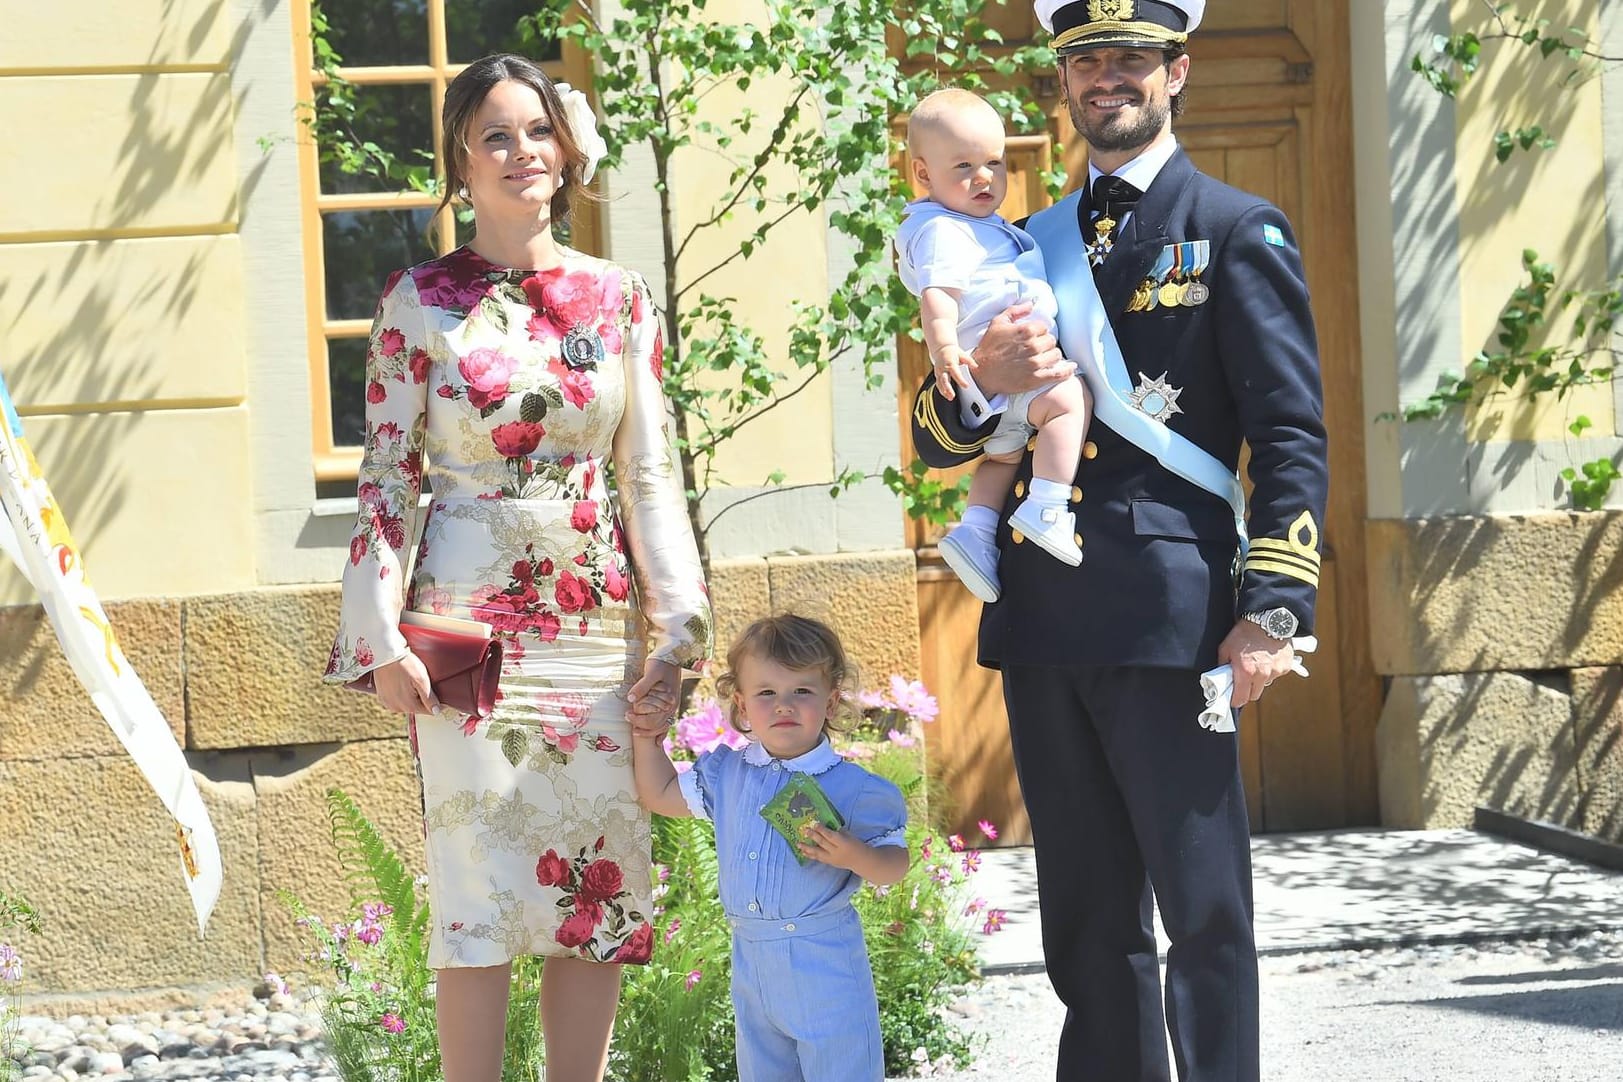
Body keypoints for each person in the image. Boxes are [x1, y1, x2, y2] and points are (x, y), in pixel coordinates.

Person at [908, 3, 1329, 1081]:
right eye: (1087, 58)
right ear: (1066, 80)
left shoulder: (1238, 228)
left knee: (1203, 913)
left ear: (1175, 71)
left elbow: (1288, 434)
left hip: (1172, 614)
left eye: (1131, 58)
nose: (1108, 77)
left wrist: (1273, 608)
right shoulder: (1014, 238)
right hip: (1047, 614)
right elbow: (942, 427)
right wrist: (982, 389)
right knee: (1087, 926)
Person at [320, 54, 711, 1082]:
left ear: (567, 147)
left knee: (599, 883)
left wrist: (680, 629)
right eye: (496, 134)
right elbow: (387, 479)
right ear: (460, 158)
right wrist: (381, 632)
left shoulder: (620, 298)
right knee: (479, 887)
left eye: (538, 130)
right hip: (465, 635)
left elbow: (652, 476)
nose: (522, 152)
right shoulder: (417, 301)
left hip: (593, 633)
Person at [630, 614, 909, 1082]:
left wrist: (853, 856)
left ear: (831, 700)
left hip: (825, 962)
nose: (784, 705)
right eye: (766, 693)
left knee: (842, 1069)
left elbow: (893, 867)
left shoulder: (852, 788)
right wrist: (645, 737)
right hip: (752, 961)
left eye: (801, 691)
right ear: (742, 705)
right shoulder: (729, 774)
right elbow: (659, 794)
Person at [897, 87, 1095, 602]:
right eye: (965, 165)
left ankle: (975, 531)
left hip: (1156, 568)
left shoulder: (1228, 227)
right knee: (1069, 401)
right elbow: (937, 301)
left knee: (1001, 461)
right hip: (1034, 593)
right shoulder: (1014, 231)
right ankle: (1046, 505)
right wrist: (973, 369)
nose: (985, 177)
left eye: (995, 162)